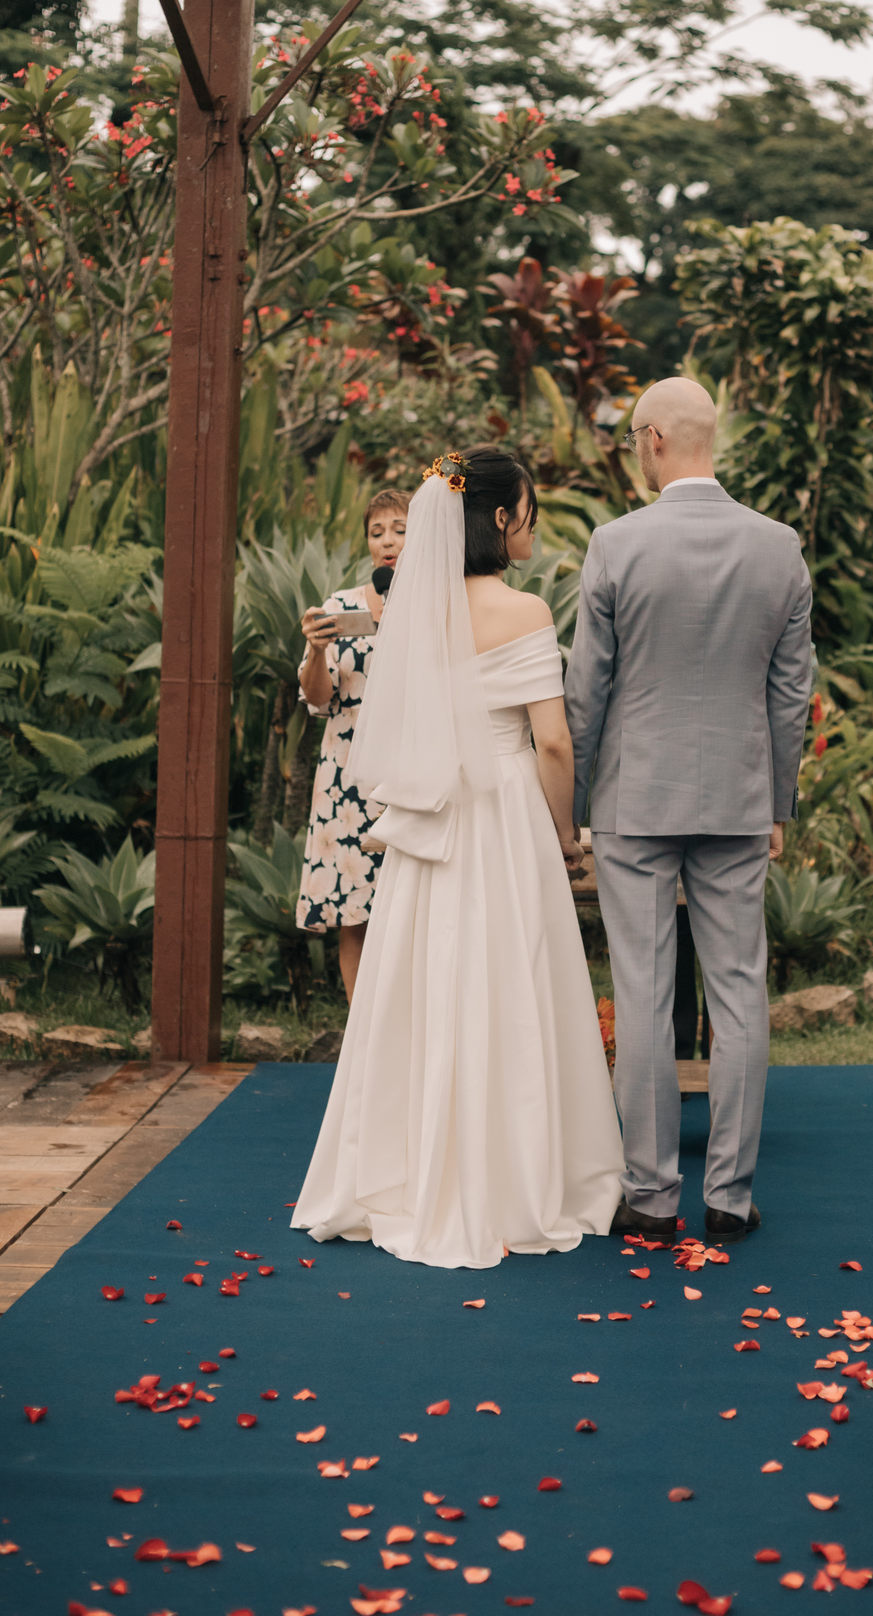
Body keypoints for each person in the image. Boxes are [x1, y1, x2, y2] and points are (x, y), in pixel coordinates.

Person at [291, 447, 624, 1270]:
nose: (534, 526)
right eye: (530, 512)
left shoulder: (414, 612)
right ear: (502, 518)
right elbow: (552, 742)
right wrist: (566, 833)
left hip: (432, 815)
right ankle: (518, 1175)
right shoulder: (527, 611)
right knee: (513, 975)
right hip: (505, 810)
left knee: (426, 980)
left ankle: (406, 1169)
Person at [565, 377, 813, 1244]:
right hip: (739, 797)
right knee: (740, 992)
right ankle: (731, 1197)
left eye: (635, 437)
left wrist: (575, 803)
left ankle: (652, 1194)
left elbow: (586, 690)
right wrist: (777, 800)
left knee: (641, 992)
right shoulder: (779, 547)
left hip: (635, 798)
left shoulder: (616, 544)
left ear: (656, 439)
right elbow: (791, 692)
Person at [296, 489, 409, 1002]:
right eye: (377, 532)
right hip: (347, 779)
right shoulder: (340, 607)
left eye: (400, 530)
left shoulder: (441, 603)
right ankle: (361, 1039)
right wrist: (316, 650)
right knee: (354, 916)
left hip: (411, 776)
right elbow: (318, 699)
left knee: (413, 913)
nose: (388, 541)